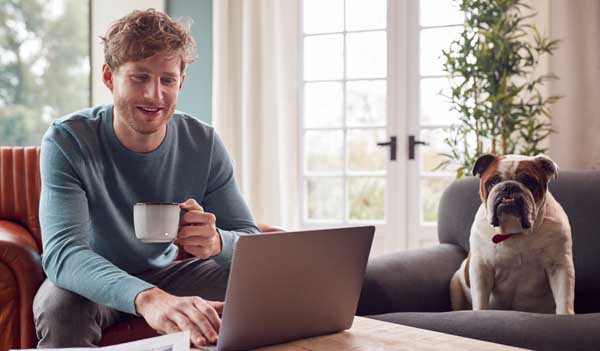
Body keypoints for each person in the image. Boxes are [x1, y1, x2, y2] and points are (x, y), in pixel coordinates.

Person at [33, 9, 259, 348]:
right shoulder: (68, 140)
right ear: (109, 78)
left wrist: (216, 242)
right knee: (60, 306)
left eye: (167, 80)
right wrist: (148, 298)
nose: (155, 95)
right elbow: (65, 254)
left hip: (171, 274)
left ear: (181, 81)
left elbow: (251, 245)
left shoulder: (204, 143)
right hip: (91, 282)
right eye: (140, 78)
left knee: (266, 284)